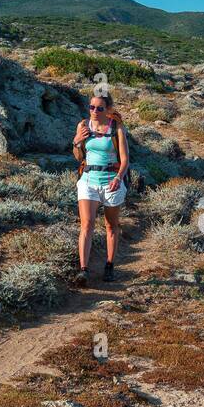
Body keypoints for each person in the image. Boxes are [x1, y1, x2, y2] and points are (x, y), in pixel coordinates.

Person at [71, 93, 129, 286]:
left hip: (111, 180)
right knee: (86, 224)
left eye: (100, 108)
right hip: (88, 180)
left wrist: (118, 178)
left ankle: (110, 265)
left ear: (108, 109)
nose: (94, 111)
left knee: (111, 225)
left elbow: (125, 159)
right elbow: (78, 156)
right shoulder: (83, 125)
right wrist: (76, 141)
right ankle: (84, 270)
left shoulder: (116, 128)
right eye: (91, 107)